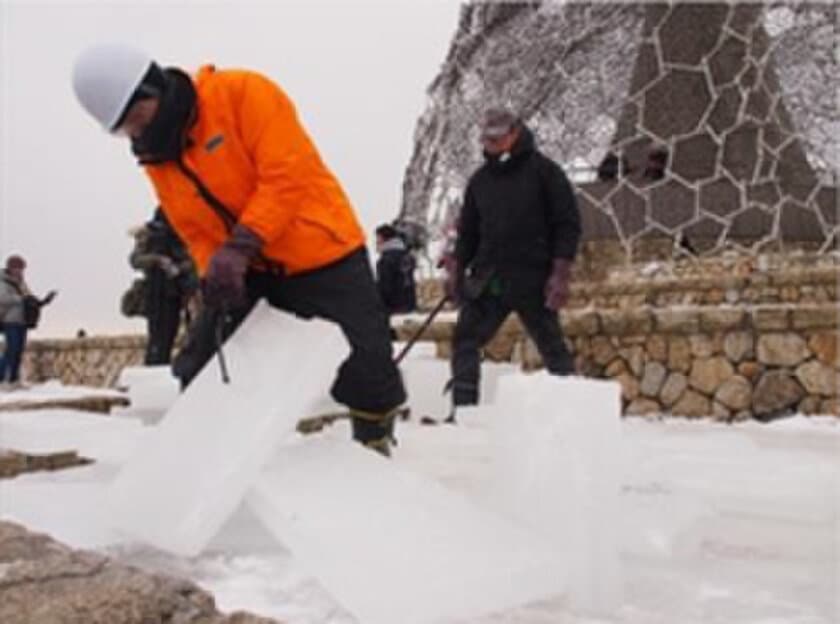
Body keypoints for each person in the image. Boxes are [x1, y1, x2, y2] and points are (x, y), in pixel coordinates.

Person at [72, 44, 406, 454]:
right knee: (203, 362)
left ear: (152, 90)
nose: (137, 134)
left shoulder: (243, 94)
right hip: (249, 268)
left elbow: (287, 175)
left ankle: (374, 446)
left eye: (137, 119)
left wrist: (242, 244)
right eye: (124, 130)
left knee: (368, 367)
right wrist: (217, 269)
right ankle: (213, 465)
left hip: (322, 253)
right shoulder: (158, 160)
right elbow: (194, 229)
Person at [444, 108, 581, 420]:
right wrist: (457, 270)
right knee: (465, 340)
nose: (491, 143)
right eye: (486, 137)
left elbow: (567, 224)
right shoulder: (479, 181)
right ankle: (463, 413)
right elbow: (469, 233)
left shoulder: (546, 173)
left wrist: (561, 273)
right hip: (489, 279)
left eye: (498, 136)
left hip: (534, 278)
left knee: (552, 347)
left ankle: (570, 416)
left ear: (515, 133)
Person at [129, 207, 197, 365]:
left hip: (175, 291)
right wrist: (158, 260)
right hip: (156, 292)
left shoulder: (182, 232)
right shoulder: (149, 234)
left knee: (170, 334)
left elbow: (193, 261)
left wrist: (178, 268)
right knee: (158, 338)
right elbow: (135, 260)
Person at [0, 255, 57, 389]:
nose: (20, 271)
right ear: (11, 268)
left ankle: (14, 379)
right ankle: (2, 377)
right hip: (10, 320)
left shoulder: (21, 283)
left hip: (23, 321)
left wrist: (42, 301)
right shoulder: (3, 282)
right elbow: (3, 298)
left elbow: (28, 297)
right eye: (18, 268)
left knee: (19, 351)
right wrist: (21, 300)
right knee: (11, 350)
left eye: (22, 269)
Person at [374, 223, 417, 316]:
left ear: (383, 239)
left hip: (393, 307)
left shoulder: (385, 260)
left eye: (377, 238)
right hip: (410, 304)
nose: (376, 242)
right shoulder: (407, 256)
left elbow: (385, 287)